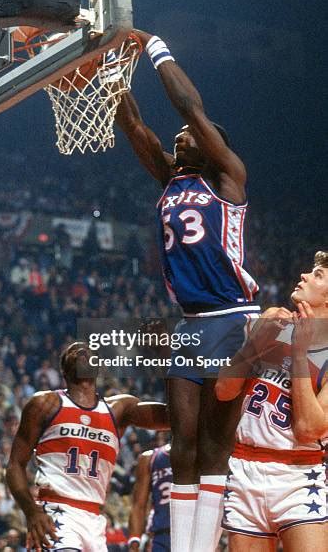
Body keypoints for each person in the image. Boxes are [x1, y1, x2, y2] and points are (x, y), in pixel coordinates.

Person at [116, 29, 260, 552]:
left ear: (210, 144)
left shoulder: (227, 179)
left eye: (187, 136)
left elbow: (191, 106)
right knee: (182, 446)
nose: (178, 138)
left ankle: (206, 541)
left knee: (214, 448)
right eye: (176, 137)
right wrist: (108, 75)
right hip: (190, 324)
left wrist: (154, 48)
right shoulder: (171, 179)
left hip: (234, 317)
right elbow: (136, 130)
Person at [6, 342, 169, 551]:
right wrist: (31, 511)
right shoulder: (45, 403)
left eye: (88, 351)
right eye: (73, 351)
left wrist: (165, 356)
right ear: (64, 370)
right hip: (56, 511)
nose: (81, 352)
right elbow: (14, 465)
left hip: (95, 520)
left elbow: (174, 417)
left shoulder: (118, 409)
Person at [215, 251, 328, 550]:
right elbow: (224, 390)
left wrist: (300, 353)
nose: (304, 275)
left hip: (297, 477)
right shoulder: (271, 322)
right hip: (245, 468)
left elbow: (308, 430)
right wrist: (256, 341)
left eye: (318, 275)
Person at [128, 441, 172, 551]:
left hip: (193, 532)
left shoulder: (203, 455)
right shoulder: (151, 458)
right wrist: (135, 539)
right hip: (162, 533)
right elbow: (138, 504)